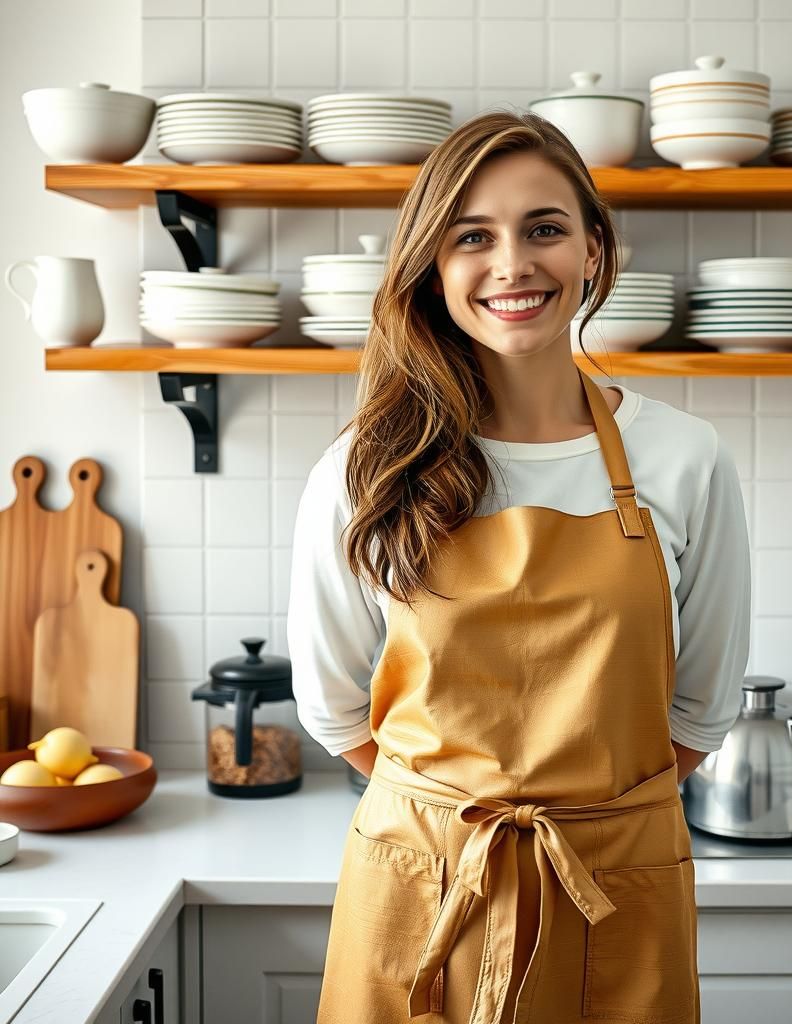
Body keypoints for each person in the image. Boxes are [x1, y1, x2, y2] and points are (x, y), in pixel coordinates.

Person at [287, 109, 751, 1024]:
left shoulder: (684, 457)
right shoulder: (367, 465)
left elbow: (702, 707)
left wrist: (599, 817)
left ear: (591, 247)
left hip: (615, 881)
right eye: (472, 237)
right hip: (424, 883)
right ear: (433, 264)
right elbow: (332, 706)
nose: (512, 264)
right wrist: (451, 811)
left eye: (544, 227)